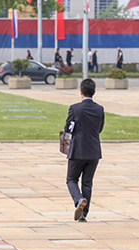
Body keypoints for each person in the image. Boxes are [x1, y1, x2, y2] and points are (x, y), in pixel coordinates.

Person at [63, 78, 104, 222]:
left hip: (77, 150)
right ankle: (84, 214)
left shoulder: (75, 109)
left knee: (71, 179)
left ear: (80, 92)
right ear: (94, 92)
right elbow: (100, 128)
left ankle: (79, 199)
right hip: (93, 151)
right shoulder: (99, 109)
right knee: (87, 182)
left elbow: (68, 128)